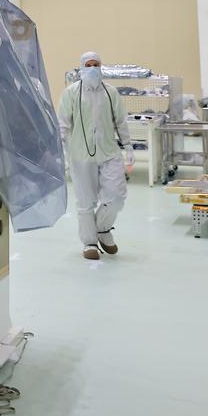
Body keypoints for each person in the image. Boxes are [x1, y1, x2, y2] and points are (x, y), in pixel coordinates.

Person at [58, 51, 132, 261]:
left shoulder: (111, 92)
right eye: (88, 65)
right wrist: (61, 152)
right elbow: (63, 124)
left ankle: (102, 229)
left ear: (101, 67)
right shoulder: (71, 93)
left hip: (109, 153)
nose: (92, 69)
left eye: (96, 64)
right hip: (81, 155)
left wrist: (128, 146)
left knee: (116, 197)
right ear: (81, 68)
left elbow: (121, 121)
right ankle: (89, 242)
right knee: (85, 202)